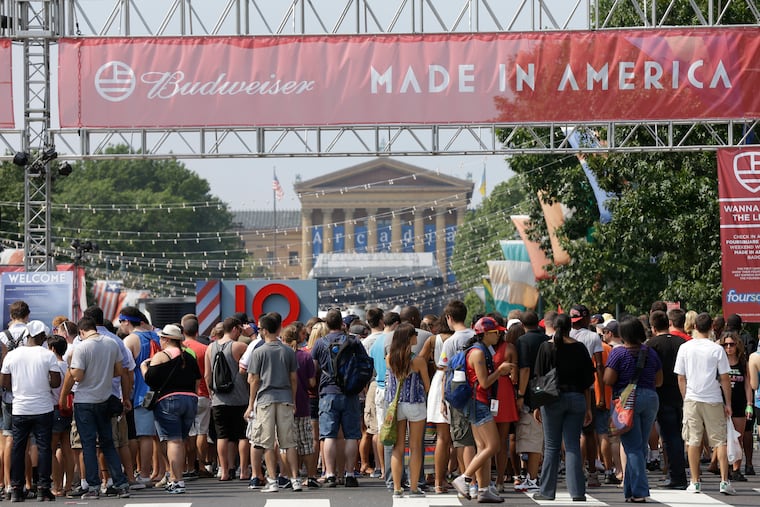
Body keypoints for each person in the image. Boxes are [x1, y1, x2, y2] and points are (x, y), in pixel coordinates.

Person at [58, 316, 131, 499]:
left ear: (81, 332)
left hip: (85, 401)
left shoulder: (81, 347)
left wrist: (64, 394)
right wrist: (103, 375)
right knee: (108, 444)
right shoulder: (112, 343)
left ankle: (93, 486)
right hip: (105, 398)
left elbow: (78, 376)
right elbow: (119, 371)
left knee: (88, 445)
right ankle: (121, 484)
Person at [532, 314, 595, 503]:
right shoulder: (579, 348)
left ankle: (547, 491)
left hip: (551, 399)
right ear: (571, 328)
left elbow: (538, 377)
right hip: (577, 398)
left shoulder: (546, 347)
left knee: (551, 446)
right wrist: (589, 407)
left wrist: (537, 404)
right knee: (573, 445)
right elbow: (588, 381)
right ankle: (577, 492)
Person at [450, 317, 513, 504]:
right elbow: (484, 382)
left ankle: (484, 489)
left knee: (483, 448)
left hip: (476, 402)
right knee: (493, 445)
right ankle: (465, 478)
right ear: (485, 333)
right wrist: (500, 371)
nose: (499, 334)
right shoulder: (478, 353)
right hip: (478, 402)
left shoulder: (480, 350)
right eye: (496, 332)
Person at [674, 312, 735, 495]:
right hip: (714, 399)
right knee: (720, 441)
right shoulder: (717, 349)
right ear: (711, 328)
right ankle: (724, 481)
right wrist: (728, 403)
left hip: (692, 398)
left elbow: (681, 378)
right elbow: (725, 378)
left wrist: (686, 398)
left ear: (693, 327)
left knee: (693, 440)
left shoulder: (685, 348)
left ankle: (694, 480)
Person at [603, 317, 663, 503]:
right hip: (651, 398)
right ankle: (630, 490)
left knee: (633, 447)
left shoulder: (618, 353)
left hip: (627, 401)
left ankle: (639, 491)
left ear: (622, 334)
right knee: (639, 446)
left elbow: (608, 379)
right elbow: (659, 380)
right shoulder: (651, 353)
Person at [0, 321, 61, 502]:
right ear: (42, 336)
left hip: (20, 408)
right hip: (43, 407)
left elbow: (3, 382)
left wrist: (18, 388)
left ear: (27, 335)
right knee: (44, 447)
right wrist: (43, 384)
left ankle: (16, 488)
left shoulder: (12, 355)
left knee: (18, 448)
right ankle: (43, 487)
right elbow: (56, 382)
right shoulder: (47, 355)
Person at [142, 324, 201, 494]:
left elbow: (150, 379)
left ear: (167, 339)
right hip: (190, 399)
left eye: (161, 338)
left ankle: (177, 481)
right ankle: (176, 478)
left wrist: (143, 367)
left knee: (173, 441)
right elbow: (197, 380)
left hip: (169, 400)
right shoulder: (188, 357)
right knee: (180, 441)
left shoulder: (162, 356)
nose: (160, 340)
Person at [246, 312, 301, 493]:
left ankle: (272, 480)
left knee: (267, 443)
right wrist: (293, 399)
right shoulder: (288, 351)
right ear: (278, 329)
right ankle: (295, 479)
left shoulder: (259, 352)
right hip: (285, 398)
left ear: (263, 331)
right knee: (289, 442)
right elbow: (294, 379)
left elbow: (253, 379)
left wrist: (250, 404)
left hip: (265, 400)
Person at [311, 309, 362, 487]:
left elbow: (314, 369)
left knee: (328, 435)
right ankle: (349, 473)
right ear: (342, 323)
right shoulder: (354, 341)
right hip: (350, 392)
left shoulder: (320, 343)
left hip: (328, 392)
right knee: (351, 435)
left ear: (326, 324)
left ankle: (330, 474)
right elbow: (364, 364)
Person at [385, 323, 430, 498]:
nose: (417, 337)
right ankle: (413, 487)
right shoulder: (417, 360)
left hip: (395, 405)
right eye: (414, 335)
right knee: (415, 446)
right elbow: (426, 386)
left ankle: (397, 488)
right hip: (415, 403)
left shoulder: (389, 358)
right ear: (409, 337)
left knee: (398, 447)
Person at [204, 317, 249, 482]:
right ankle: (243, 471)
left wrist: (212, 393)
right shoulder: (240, 346)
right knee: (243, 435)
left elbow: (207, 375)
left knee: (223, 436)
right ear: (236, 329)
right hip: (240, 397)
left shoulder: (210, 348)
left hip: (218, 399)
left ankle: (225, 470)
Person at [647, 310, 687, 489]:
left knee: (669, 437)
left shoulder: (651, 344)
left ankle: (676, 476)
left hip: (660, 393)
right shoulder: (682, 343)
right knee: (676, 436)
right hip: (680, 393)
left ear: (653, 327)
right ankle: (678, 473)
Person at [514, 310, 549, 492]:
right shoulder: (546, 339)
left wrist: (520, 394)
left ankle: (533, 478)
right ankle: (534, 476)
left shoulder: (523, 341)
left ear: (522, 325)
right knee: (541, 438)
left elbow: (525, 369)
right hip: (547, 390)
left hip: (530, 394)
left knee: (531, 439)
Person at [420, 311, 453, 494]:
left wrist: (432, 368)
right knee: (456, 439)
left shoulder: (433, 340)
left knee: (441, 437)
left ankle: (439, 481)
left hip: (438, 379)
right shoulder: (458, 338)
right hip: (457, 381)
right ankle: (452, 476)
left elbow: (420, 360)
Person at [282, 323, 319, 488]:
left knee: (287, 444)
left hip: (283, 403)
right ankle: (311, 476)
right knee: (306, 443)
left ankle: (291, 476)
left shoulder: (281, 356)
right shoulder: (305, 357)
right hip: (303, 403)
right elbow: (312, 382)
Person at [715, 332, 752, 482]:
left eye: (731, 344)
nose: (728, 347)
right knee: (722, 439)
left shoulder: (743, 362)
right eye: (725, 345)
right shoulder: (718, 362)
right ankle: (725, 468)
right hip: (721, 403)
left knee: (738, 438)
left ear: (737, 345)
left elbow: (748, 384)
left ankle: (737, 469)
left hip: (739, 403)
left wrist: (749, 404)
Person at [493, 319, 519, 494]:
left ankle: (487, 479)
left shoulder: (479, 348)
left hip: (486, 391)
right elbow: (514, 377)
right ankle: (500, 479)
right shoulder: (509, 348)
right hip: (504, 392)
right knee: (501, 441)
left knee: (484, 441)